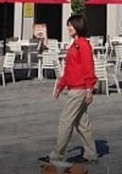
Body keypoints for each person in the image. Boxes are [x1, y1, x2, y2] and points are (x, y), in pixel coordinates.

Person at [41, 15, 99, 165]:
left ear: (78, 26)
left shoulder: (83, 45)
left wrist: (89, 89)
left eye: (71, 26)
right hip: (74, 88)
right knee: (81, 123)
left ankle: (56, 155)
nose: (68, 28)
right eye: (68, 25)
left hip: (79, 90)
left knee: (65, 121)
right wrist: (60, 86)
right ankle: (91, 154)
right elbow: (69, 70)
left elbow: (88, 68)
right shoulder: (75, 45)